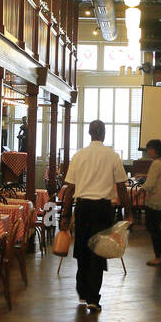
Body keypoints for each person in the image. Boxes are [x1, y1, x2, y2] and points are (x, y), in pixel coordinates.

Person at [62, 119, 130, 311]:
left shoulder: (79, 156)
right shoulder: (112, 156)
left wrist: (65, 216)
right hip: (102, 210)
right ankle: (93, 297)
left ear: (90, 133)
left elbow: (69, 189)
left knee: (82, 249)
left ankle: (82, 292)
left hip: (82, 209)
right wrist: (129, 213)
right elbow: (122, 188)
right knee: (97, 253)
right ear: (104, 133)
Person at [139, 139, 161, 265]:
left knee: (152, 228)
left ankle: (158, 256)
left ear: (155, 149)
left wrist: (141, 189)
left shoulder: (156, 164)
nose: (148, 152)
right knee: (157, 228)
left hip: (155, 201)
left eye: (149, 149)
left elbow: (150, 183)